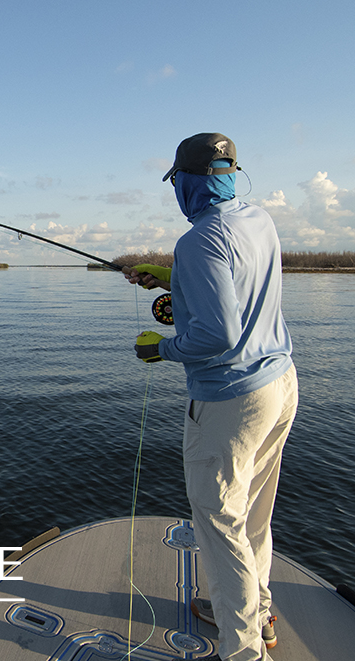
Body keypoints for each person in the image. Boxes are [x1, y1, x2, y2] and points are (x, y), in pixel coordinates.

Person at [125, 133, 297, 661]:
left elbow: (216, 336)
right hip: (280, 384)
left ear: (188, 181)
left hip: (228, 402)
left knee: (219, 525)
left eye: (176, 181)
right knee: (253, 516)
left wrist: (163, 349)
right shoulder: (257, 218)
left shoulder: (198, 241)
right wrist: (174, 280)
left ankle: (245, 651)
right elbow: (236, 282)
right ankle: (253, 609)